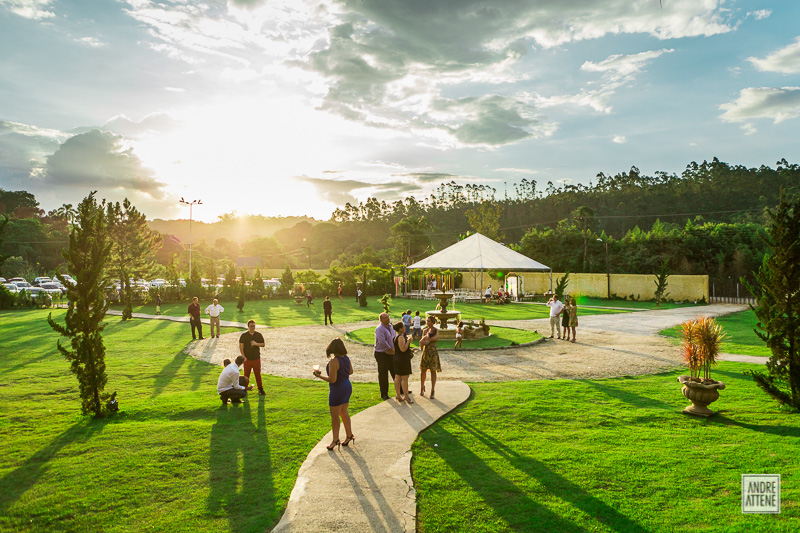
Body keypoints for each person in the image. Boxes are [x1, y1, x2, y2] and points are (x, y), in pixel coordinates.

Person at [313, 338, 354, 450]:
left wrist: (319, 376)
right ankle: (349, 435)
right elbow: (350, 371)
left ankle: (335, 440)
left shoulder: (333, 361)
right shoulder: (346, 358)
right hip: (347, 386)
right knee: (344, 412)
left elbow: (332, 379)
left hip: (338, 389)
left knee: (335, 416)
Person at [239, 319, 266, 395]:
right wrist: (243, 356)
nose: (252, 328)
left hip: (256, 358)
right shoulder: (244, 335)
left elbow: (263, 344)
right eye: (251, 326)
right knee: (246, 374)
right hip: (247, 358)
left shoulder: (258, 335)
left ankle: (260, 388)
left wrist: (255, 344)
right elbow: (241, 346)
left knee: (257, 374)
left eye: (254, 326)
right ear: (248, 327)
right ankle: (244, 388)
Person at [373, 312, 396, 400]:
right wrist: (391, 350)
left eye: (388, 317)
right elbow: (382, 342)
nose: (388, 319)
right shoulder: (379, 329)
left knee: (395, 371)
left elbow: (393, 338)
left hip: (391, 352)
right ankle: (384, 393)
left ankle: (401, 389)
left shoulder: (391, 327)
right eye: (386, 318)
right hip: (381, 353)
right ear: (381, 320)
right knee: (383, 374)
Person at [419, 316, 441, 399]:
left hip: (433, 352)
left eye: (428, 321)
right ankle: (422, 387)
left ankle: (432, 390)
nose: (427, 322)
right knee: (423, 370)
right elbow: (421, 342)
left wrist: (427, 339)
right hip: (426, 352)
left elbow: (434, 338)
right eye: (426, 321)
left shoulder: (435, 330)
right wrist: (427, 340)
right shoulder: (424, 330)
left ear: (432, 322)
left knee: (433, 370)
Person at [392, 322, 414, 403]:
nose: (405, 328)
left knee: (397, 377)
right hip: (402, 360)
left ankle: (398, 395)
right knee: (404, 378)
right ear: (400, 329)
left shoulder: (396, 336)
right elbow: (403, 349)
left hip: (397, 358)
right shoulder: (401, 337)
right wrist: (409, 341)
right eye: (404, 327)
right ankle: (406, 397)